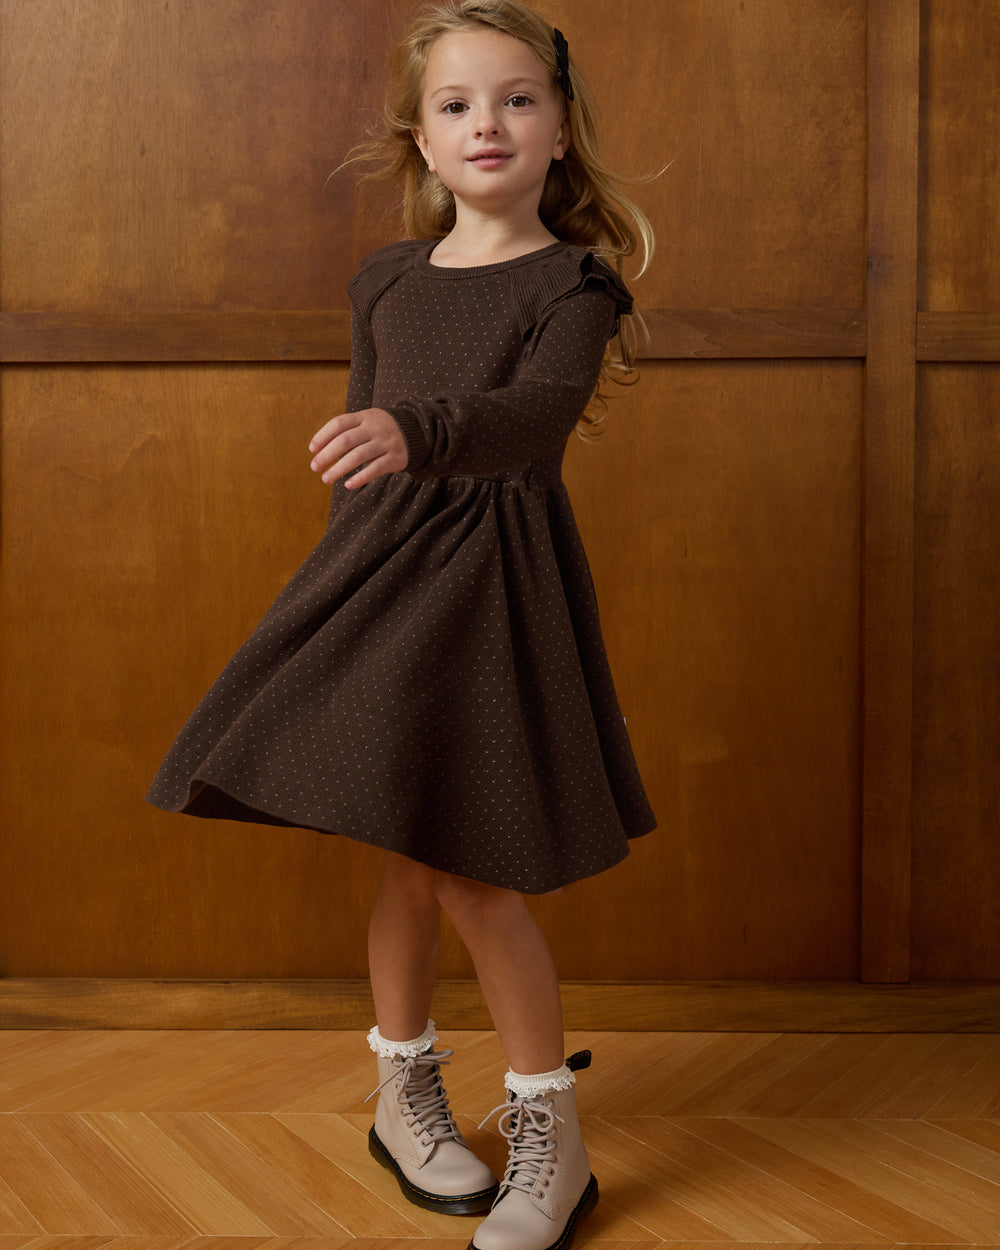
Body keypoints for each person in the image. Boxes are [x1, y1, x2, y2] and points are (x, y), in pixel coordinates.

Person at [147, 2, 655, 1246]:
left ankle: (550, 1127)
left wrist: (413, 432)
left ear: (561, 131)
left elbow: (530, 420)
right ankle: (403, 1089)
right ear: (420, 140)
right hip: (379, 574)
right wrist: (340, 566)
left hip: (492, 588)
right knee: (403, 850)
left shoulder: (574, 283)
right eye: (456, 103)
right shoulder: (383, 276)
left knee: (476, 870)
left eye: (517, 98)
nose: (488, 122)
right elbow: (360, 449)